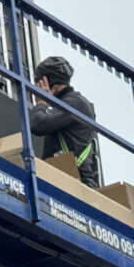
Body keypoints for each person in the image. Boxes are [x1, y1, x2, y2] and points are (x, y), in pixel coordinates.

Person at [29, 56, 100, 188]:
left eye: (39, 85)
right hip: (63, 177)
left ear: (54, 88)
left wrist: (41, 103)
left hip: (77, 182)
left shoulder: (76, 104)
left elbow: (37, 125)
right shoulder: (65, 105)